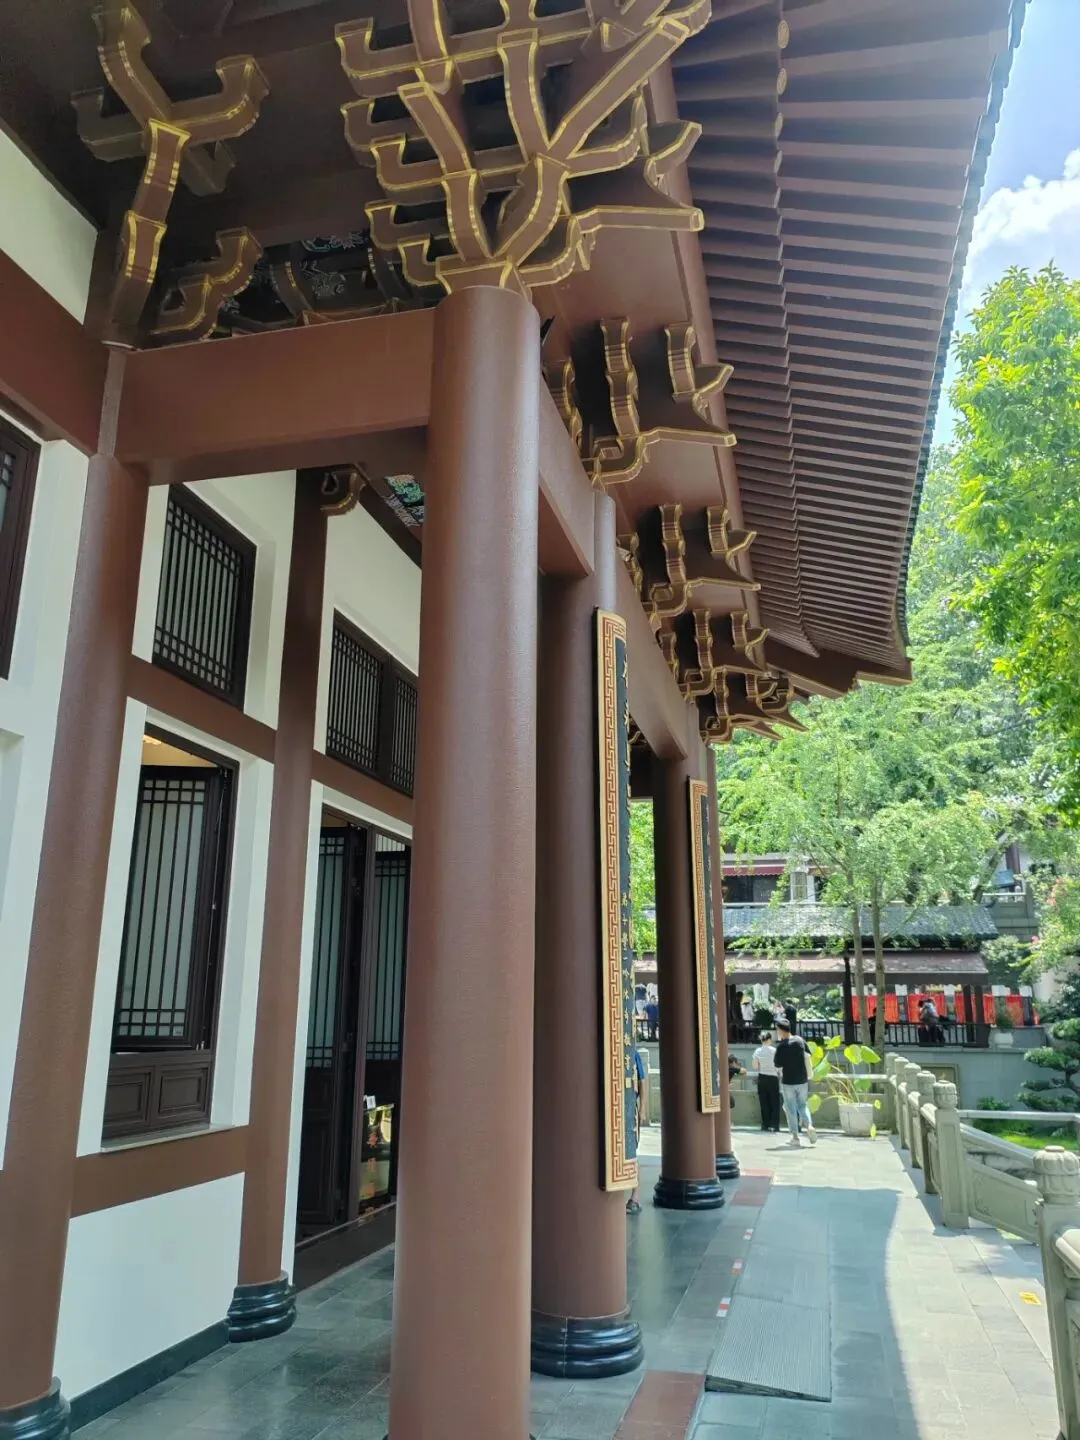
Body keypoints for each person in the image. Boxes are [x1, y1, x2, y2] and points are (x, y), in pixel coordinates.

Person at [773, 1018, 817, 1146]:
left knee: (790, 1109)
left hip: (788, 1081)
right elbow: (808, 1054)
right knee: (803, 1105)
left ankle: (795, 1137)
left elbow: (777, 1063)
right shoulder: (800, 1041)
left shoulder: (781, 1046)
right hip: (802, 1080)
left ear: (781, 1030)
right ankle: (809, 1125)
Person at [626, 1046, 647, 1213]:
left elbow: (642, 1081)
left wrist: (642, 1109)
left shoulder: (633, 1053)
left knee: (632, 1151)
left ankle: (635, 1196)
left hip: (629, 1108)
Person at [751, 1030, 781, 1132]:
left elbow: (755, 1066)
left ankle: (765, 1125)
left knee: (764, 1103)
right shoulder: (774, 1051)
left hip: (762, 1078)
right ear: (769, 1040)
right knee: (774, 1103)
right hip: (773, 1078)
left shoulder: (758, 1051)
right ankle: (775, 1125)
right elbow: (779, 1066)